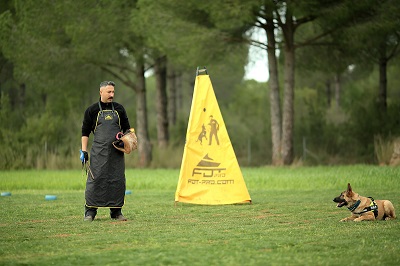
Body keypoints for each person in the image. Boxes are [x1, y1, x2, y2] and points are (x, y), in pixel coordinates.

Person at [80, 81, 131, 222]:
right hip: (98, 153)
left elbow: (127, 129)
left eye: (113, 92)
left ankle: (116, 212)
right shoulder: (92, 110)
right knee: (95, 180)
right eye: (109, 92)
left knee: (117, 180)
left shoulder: (120, 109)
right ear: (101, 92)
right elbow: (85, 132)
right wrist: (84, 151)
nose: (112, 95)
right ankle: (90, 211)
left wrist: (126, 139)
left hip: (116, 153)